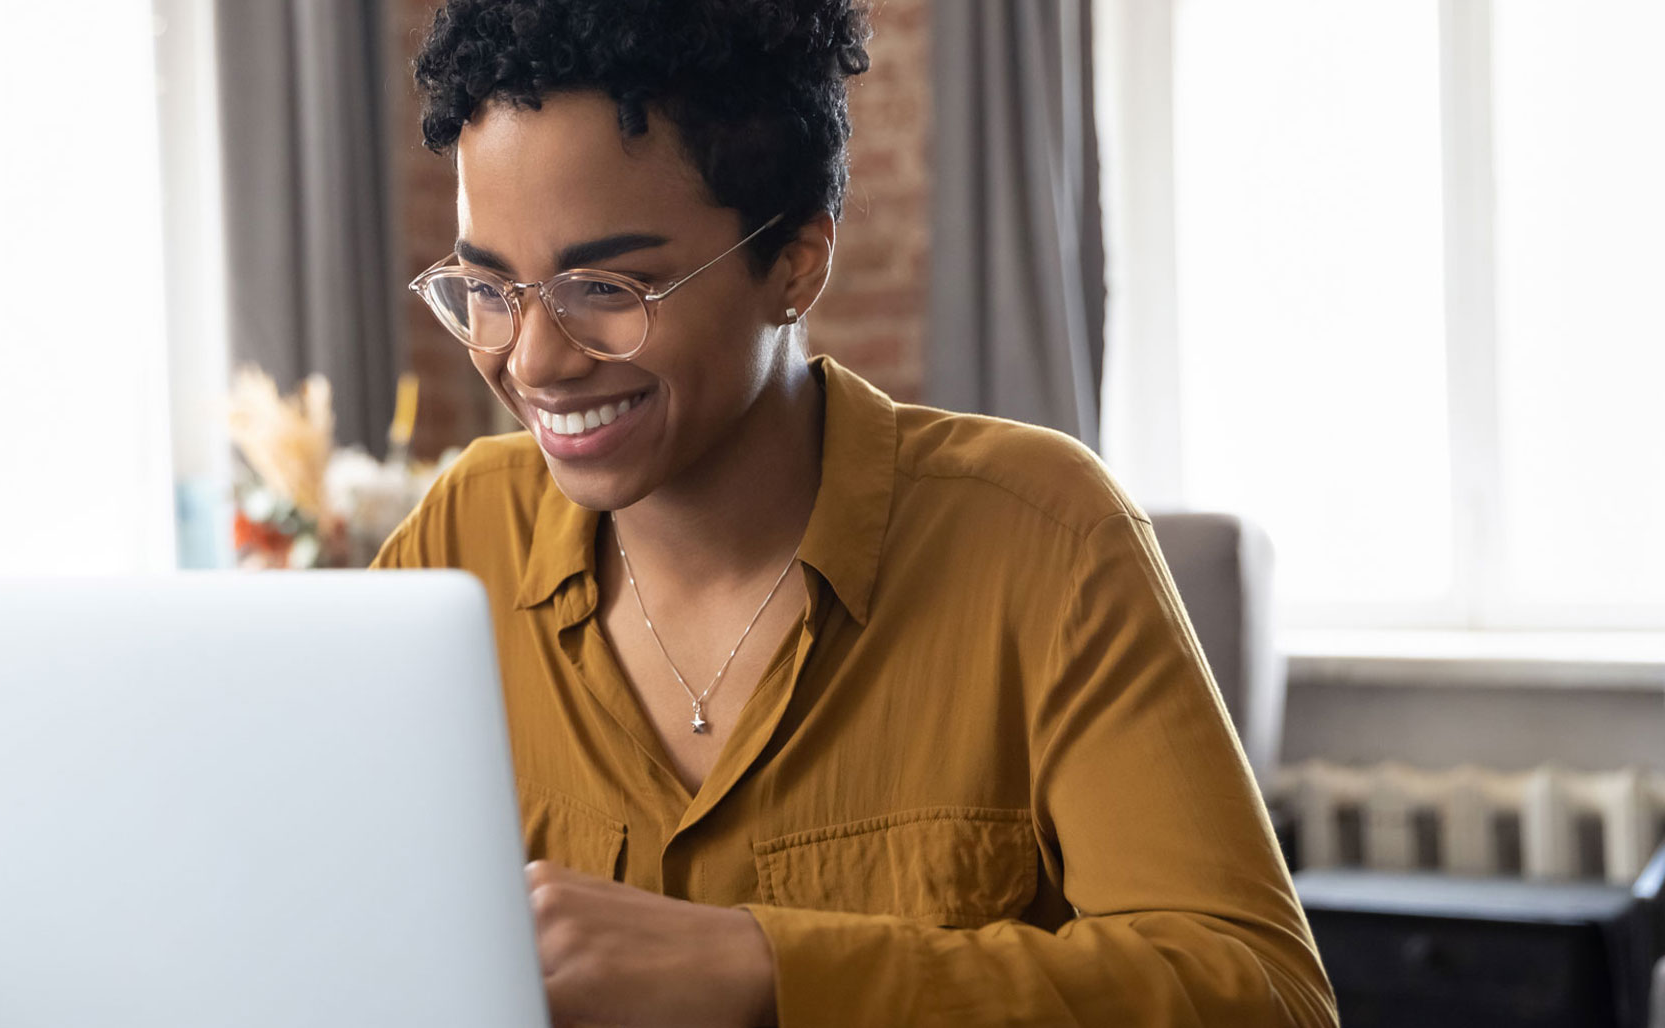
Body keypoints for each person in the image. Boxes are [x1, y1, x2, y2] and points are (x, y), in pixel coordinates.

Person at [369, 1, 1337, 1025]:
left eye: (606, 284)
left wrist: (762, 964)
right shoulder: (458, 541)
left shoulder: (1047, 541)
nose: (533, 360)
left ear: (795, 262)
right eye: (487, 287)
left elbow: (1262, 995)